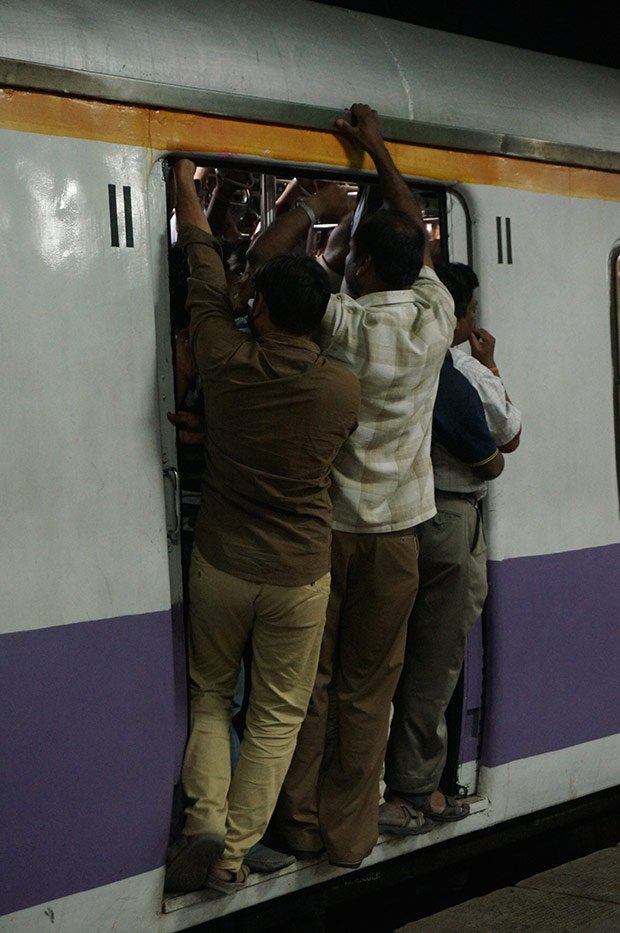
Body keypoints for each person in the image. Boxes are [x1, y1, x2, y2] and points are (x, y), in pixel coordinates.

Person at [250, 103, 456, 868]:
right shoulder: (433, 318)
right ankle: (349, 834)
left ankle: (295, 824)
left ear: (361, 267)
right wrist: (381, 154)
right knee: (371, 690)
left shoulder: (342, 323)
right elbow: (410, 228)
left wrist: (311, 207)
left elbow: (268, 270)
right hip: (398, 539)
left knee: (308, 683)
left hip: (325, 534)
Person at [164, 158, 361, 895]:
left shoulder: (223, 357)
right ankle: (232, 854)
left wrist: (186, 183)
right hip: (298, 572)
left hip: (221, 560)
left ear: (265, 310)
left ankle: (202, 821)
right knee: (278, 716)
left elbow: (204, 270)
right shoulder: (342, 389)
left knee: (212, 694)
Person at [381, 262, 521, 830]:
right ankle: (419, 788)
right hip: (450, 518)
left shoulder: (380, 352)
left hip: (396, 520)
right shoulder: (462, 372)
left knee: (380, 660)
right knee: (436, 662)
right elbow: (505, 443)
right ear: (459, 316)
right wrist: (490, 365)